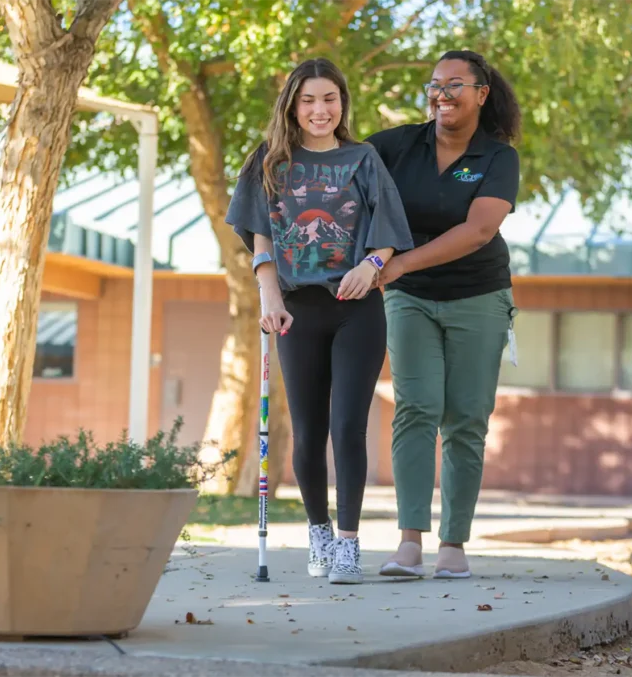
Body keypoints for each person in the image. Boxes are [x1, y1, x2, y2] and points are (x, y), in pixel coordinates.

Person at [226, 58, 414, 585]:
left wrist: (371, 265)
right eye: (308, 100)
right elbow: (261, 239)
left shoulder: (363, 158)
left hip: (358, 309)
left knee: (347, 427)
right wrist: (269, 297)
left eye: (329, 98)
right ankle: (319, 532)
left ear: (342, 103)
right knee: (309, 432)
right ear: (292, 104)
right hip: (295, 309)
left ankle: (350, 546)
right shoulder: (270, 161)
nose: (319, 110)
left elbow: (387, 234)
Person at [366, 50, 522, 579]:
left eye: (455, 84)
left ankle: (453, 544)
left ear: (481, 93)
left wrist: (398, 262)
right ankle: (410, 542)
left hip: (478, 296)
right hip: (408, 296)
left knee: (466, 419)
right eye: (435, 84)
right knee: (416, 408)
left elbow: (479, 230)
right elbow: (341, 172)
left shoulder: (497, 158)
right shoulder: (396, 145)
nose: (442, 93)